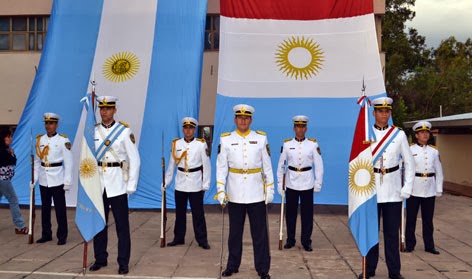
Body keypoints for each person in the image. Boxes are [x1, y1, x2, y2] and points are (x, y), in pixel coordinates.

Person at [216, 104, 274, 279]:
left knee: (260, 235)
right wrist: (220, 190)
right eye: (240, 118)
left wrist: (270, 190)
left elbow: (267, 167)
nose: (243, 120)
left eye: (246, 118)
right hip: (234, 194)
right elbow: (221, 167)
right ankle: (232, 265)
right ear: (235, 120)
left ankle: (263, 269)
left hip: (256, 193)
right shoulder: (225, 139)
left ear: (251, 120)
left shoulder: (261, 139)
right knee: (234, 234)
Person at [359, 97, 415, 279]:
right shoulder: (365, 135)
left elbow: (409, 163)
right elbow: (357, 163)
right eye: (380, 111)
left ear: (390, 113)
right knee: (371, 235)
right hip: (371, 192)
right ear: (374, 113)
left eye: (387, 111)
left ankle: (394, 272)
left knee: (392, 235)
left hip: (392, 192)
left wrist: (407, 187)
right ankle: (369, 269)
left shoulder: (398, 135)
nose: (383, 114)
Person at [89, 96, 140, 275]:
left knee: (122, 227)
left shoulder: (124, 132)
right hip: (99, 184)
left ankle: (123, 262)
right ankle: (100, 258)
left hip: (118, 184)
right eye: (101, 108)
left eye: (108, 108)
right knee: (99, 225)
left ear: (114, 110)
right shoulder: (93, 131)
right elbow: (87, 158)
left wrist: (131, 185)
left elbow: (135, 159)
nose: (104, 112)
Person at [276, 115, 323, 252]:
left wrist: (318, 183)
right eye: (298, 126)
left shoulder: (313, 144)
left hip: (307, 182)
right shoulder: (287, 144)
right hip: (291, 182)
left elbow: (319, 165)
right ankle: (290, 239)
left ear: (306, 129)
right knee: (290, 213)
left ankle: (306, 241)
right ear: (294, 128)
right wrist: (280, 184)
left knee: (307, 214)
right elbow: (281, 165)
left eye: (303, 127)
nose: (300, 129)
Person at [163, 117, 211, 249]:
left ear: (194, 130)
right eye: (186, 128)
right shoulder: (176, 144)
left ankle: (202, 240)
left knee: (198, 214)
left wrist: (205, 184)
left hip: (195, 183)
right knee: (179, 213)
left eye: (191, 128)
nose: (188, 131)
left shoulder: (201, 144)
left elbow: (207, 166)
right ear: (183, 129)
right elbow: (172, 165)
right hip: (181, 182)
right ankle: (178, 238)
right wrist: (166, 182)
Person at [33, 112, 72, 245]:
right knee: (45, 208)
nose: (48, 126)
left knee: (60, 209)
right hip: (44, 179)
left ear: (56, 125)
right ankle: (46, 234)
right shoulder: (40, 140)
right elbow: (37, 161)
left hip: (57, 178)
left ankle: (62, 235)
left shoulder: (63, 140)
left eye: (51, 123)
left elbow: (69, 162)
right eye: (46, 123)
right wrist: (34, 178)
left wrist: (67, 181)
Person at [405, 121, 443, 255]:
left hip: (429, 189)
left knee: (428, 220)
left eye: (427, 132)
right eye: (422, 132)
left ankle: (429, 245)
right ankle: (410, 244)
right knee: (411, 218)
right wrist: (405, 187)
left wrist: (439, 188)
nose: (425, 134)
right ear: (416, 135)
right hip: (414, 188)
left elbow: (439, 170)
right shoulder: (410, 149)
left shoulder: (434, 151)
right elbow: (404, 168)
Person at [0, 128, 28, 235]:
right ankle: (20, 226)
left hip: (4, 180)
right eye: (8, 136)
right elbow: (11, 161)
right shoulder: (3, 151)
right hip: (3, 180)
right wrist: (11, 154)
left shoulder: (6, 150)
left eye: (11, 136)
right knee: (13, 200)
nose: (10, 139)